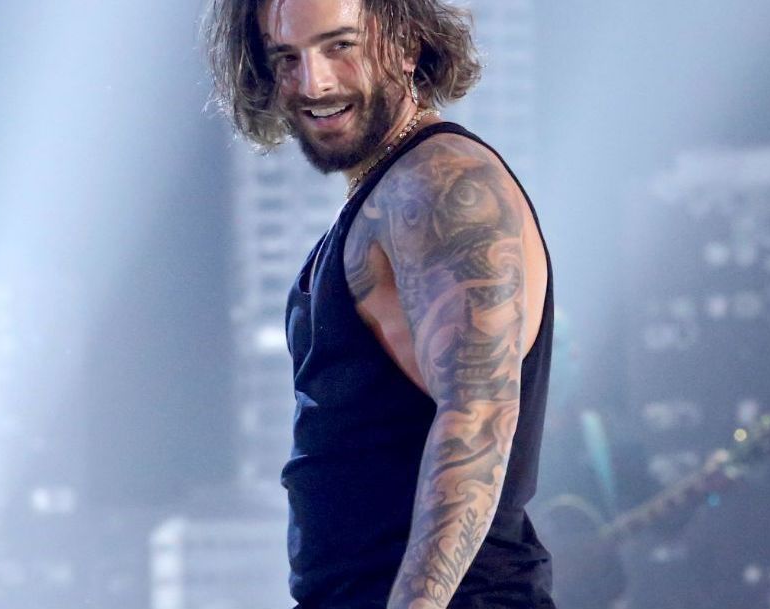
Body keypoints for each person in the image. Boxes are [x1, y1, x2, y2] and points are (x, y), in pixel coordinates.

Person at [203, 1, 555, 607]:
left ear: (407, 44)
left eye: (339, 46)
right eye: (287, 58)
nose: (313, 84)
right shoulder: (388, 190)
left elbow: (476, 416)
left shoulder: (440, 182)